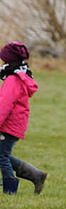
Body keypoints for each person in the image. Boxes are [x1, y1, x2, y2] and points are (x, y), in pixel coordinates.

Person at [0, 42, 48, 195]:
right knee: (2, 154)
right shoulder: (18, 76)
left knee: (1, 156)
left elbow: (5, 105)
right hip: (13, 124)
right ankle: (36, 175)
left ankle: (10, 190)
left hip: (8, 125)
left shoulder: (13, 79)